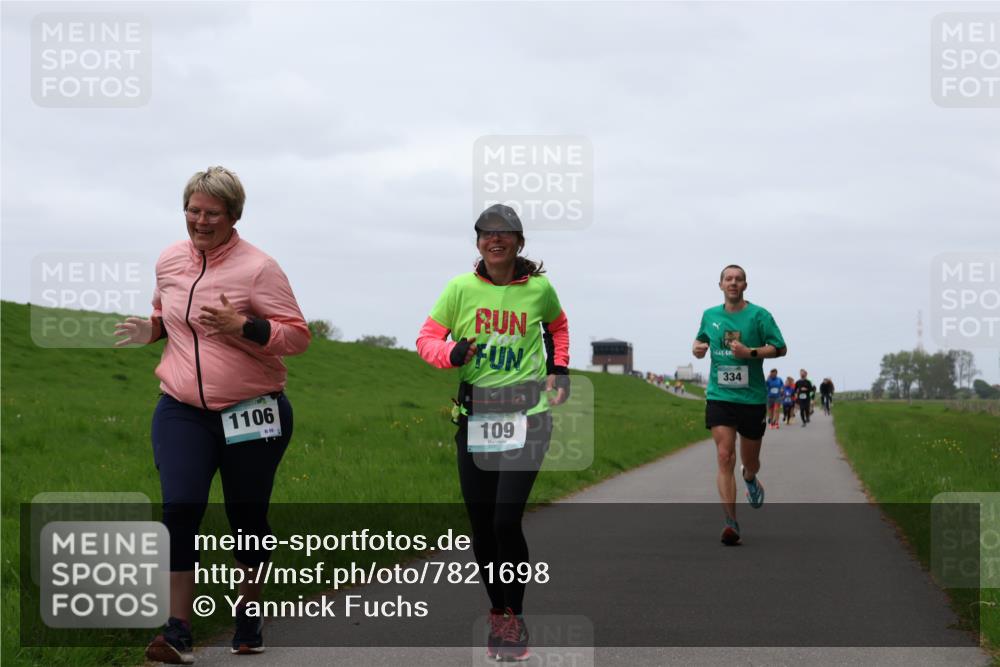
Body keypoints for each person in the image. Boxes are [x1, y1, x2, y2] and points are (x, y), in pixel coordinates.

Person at [115, 167, 311, 664]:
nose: (201, 221)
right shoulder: (169, 260)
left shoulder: (259, 268)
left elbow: (297, 336)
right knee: (179, 508)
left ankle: (248, 618)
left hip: (252, 410)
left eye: (212, 214)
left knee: (246, 516)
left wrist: (243, 326)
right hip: (181, 408)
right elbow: (169, 316)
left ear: (234, 216)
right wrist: (151, 330)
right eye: (194, 211)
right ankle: (177, 631)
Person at [416, 204, 570, 661]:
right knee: (482, 527)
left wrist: (559, 369)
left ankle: (515, 617)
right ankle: (499, 613)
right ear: (478, 241)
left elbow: (558, 326)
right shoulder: (459, 289)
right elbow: (426, 340)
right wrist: (451, 353)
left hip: (529, 416)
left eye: (504, 233)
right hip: (476, 417)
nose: (495, 239)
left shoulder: (539, 289)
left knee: (505, 521)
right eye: (486, 233)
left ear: (520, 242)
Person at [692, 265, 787, 546]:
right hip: (720, 396)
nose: (733, 283)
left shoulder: (759, 315)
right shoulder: (710, 315)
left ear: (745, 285)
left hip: (751, 399)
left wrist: (750, 352)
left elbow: (780, 347)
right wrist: (697, 348)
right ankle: (731, 523)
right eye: (728, 279)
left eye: (738, 279)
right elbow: (700, 341)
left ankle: (750, 477)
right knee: (724, 456)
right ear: (720, 285)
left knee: (750, 460)